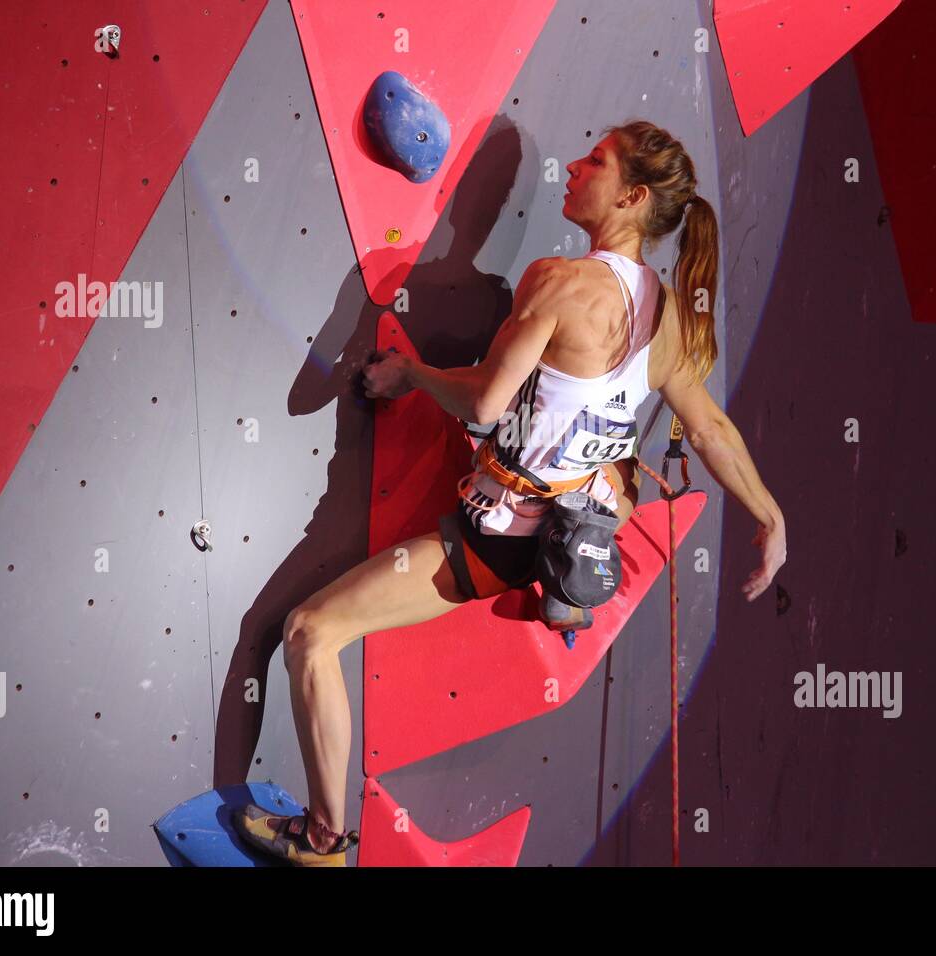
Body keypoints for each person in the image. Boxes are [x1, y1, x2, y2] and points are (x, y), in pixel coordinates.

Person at [233, 120, 787, 865]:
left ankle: (326, 842)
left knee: (308, 633)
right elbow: (712, 427)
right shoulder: (671, 320)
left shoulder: (560, 283)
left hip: (493, 537)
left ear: (630, 196)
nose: (576, 167)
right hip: (563, 544)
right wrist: (769, 515)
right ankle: (561, 606)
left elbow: (485, 405)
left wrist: (411, 375)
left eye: (596, 161)